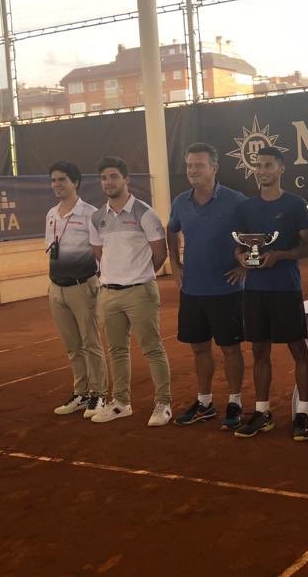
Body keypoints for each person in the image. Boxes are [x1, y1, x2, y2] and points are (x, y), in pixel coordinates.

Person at [232, 147, 308, 439]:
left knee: (298, 351)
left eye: (268, 165)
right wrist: (241, 258)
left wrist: (279, 256)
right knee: (259, 352)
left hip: (285, 289)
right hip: (254, 290)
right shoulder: (245, 208)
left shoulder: (295, 205)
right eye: (258, 166)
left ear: (281, 168)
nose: (262, 170)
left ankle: (303, 413)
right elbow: (240, 246)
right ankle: (262, 411)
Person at [167, 143, 247, 430]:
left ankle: (235, 402)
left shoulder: (236, 201)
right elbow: (171, 228)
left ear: (214, 168)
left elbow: (253, 236)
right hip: (192, 291)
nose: (192, 170)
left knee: (230, 350)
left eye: (198, 165)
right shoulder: (180, 202)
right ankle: (205, 403)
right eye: (189, 165)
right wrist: (175, 264)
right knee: (199, 349)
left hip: (227, 291)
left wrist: (243, 266)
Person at [88, 156, 172, 426]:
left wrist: (141, 275)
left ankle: (163, 404)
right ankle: (121, 403)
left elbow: (160, 252)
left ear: (126, 180)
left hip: (140, 292)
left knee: (152, 349)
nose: (108, 182)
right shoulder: (97, 217)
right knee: (117, 351)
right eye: (104, 178)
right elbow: (99, 253)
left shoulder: (144, 213)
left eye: (113, 176)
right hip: (108, 294)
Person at [45, 160, 107, 420]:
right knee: (72, 346)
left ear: (75, 183)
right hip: (56, 289)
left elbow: (102, 251)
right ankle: (81, 392)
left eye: (62, 180)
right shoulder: (51, 215)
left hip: (83, 287)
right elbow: (51, 250)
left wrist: (99, 283)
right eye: (53, 180)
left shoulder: (91, 214)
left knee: (91, 343)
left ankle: (99, 394)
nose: (57, 185)